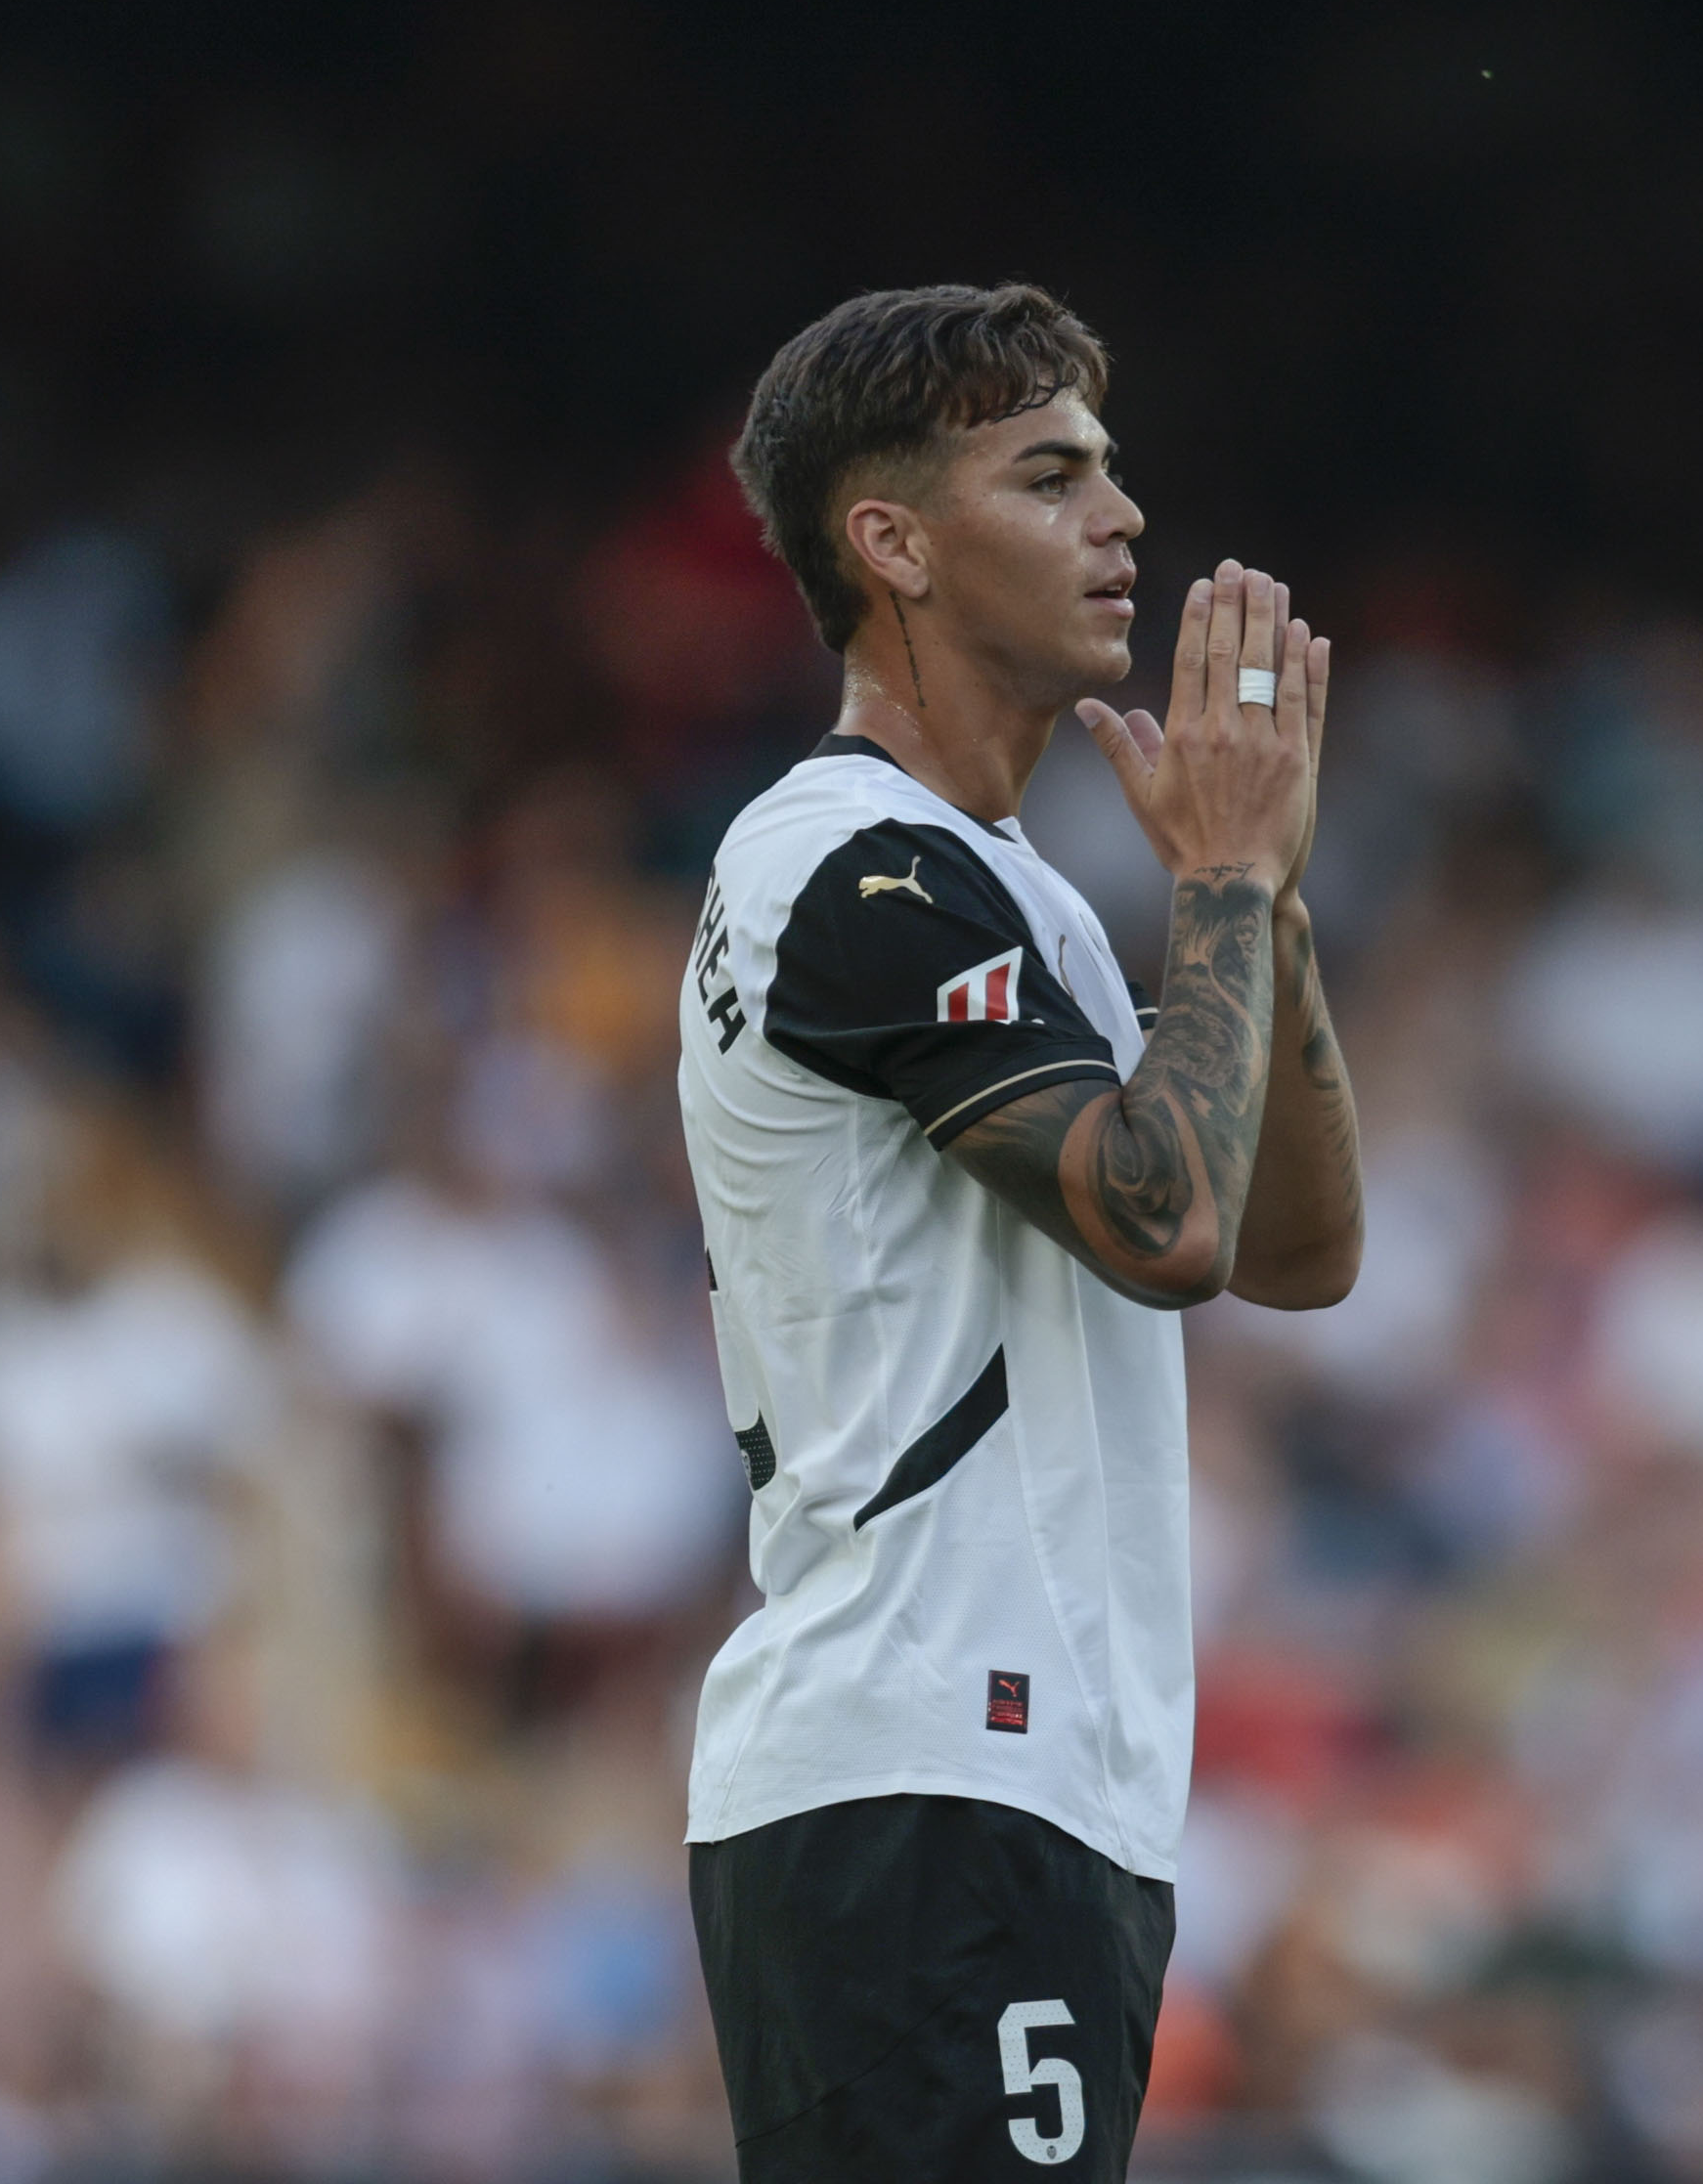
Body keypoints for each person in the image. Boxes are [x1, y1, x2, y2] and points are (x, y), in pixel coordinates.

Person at [674, 284, 1363, 2179]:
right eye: (1049, 475)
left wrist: (1267, 905)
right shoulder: (847, 862)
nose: (1121, 517)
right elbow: (1170, 1222)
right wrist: (1213, 877)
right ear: (886, 539)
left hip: (1022, 1778)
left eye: (1112, 472)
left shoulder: (1013, 890)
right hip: (922, 1766)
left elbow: (1301, 1247)